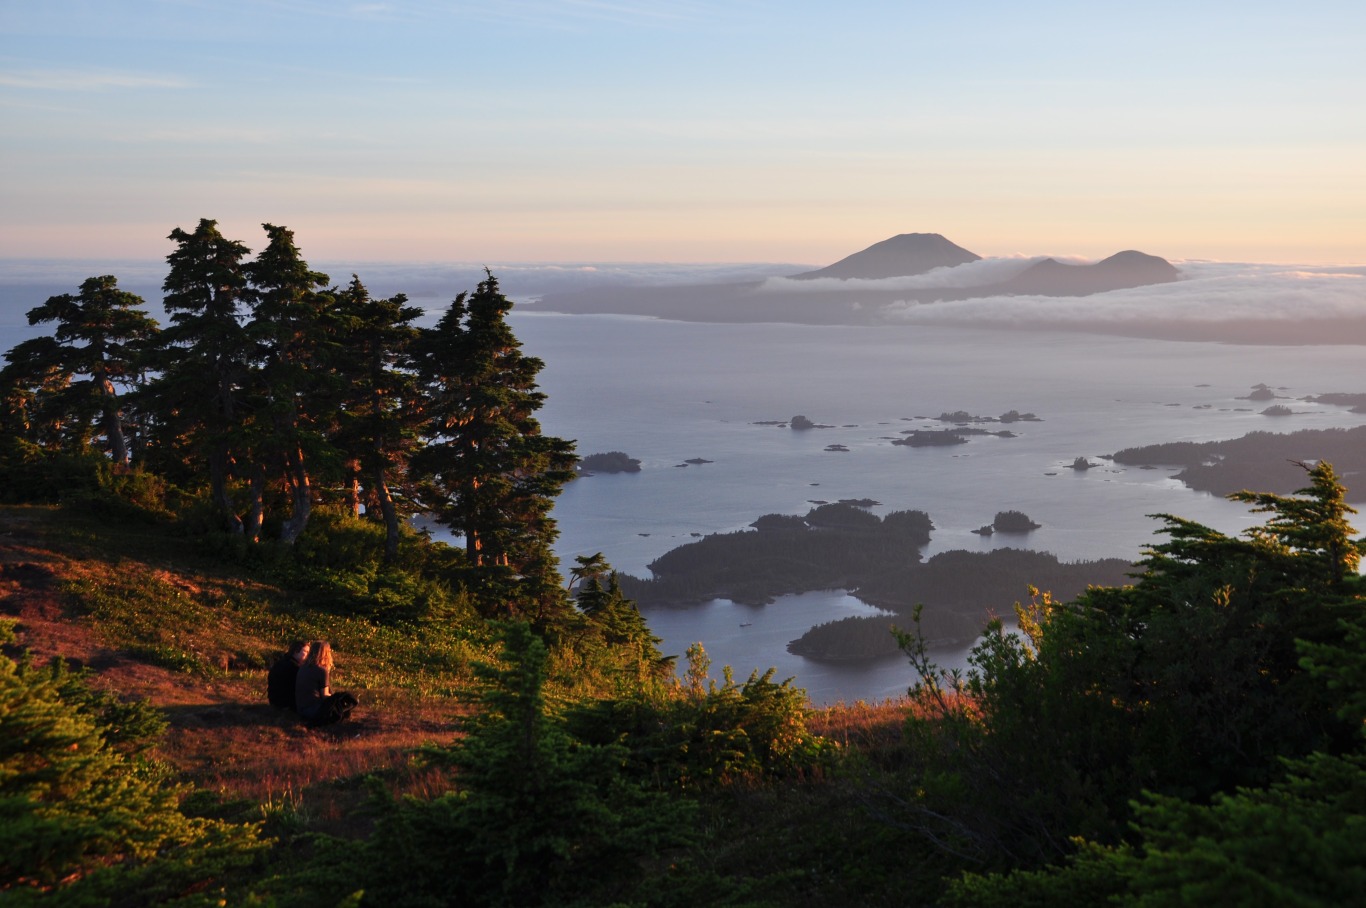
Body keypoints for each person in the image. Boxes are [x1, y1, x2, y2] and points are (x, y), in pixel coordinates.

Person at [295, 641, 357, 727]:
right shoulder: (321, 670)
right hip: (314, 711)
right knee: (346, 700)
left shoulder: (303, 667)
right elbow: (325, 696)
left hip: (301, 709)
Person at [267, 640, 309, 710]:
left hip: (274, 700)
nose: (308, 655)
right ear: (296, 651)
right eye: (306, 652)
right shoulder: (294, 667)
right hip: (285, 703)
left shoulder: (281, 662)